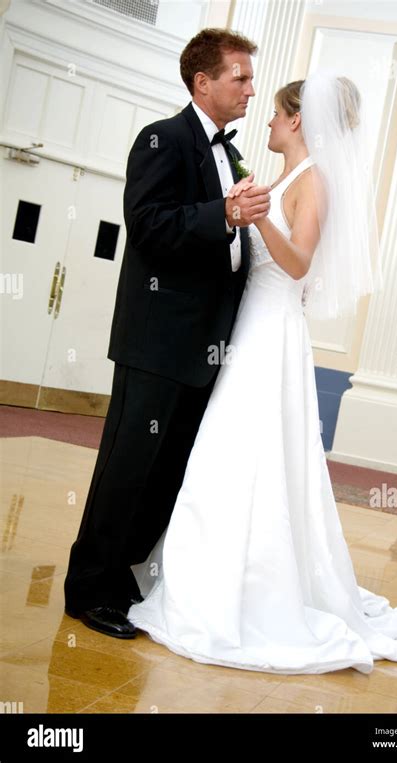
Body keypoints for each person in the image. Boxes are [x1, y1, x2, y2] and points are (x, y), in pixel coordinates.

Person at [127, 71, 397, 673]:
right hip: (248, 328)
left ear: (296, 120)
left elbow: (298, 266)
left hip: (271, 332)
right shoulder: (287, 175)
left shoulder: (314, 182)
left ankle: (250, 593)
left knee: (247, 453)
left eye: (275, 114)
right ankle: (201, 578)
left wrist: (256, 216)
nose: (264, 121)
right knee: (230, 454)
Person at [63, 28, 270, 638]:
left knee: (168, 474)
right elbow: (148, 226)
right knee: (127, 469)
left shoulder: (230, 154)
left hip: (207, 346)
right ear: (203, 82)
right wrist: (223, 214)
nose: (251, 90)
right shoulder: (162, 139)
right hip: (156, 343)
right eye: (241, 77)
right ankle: (87, 591)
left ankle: (125, 585)